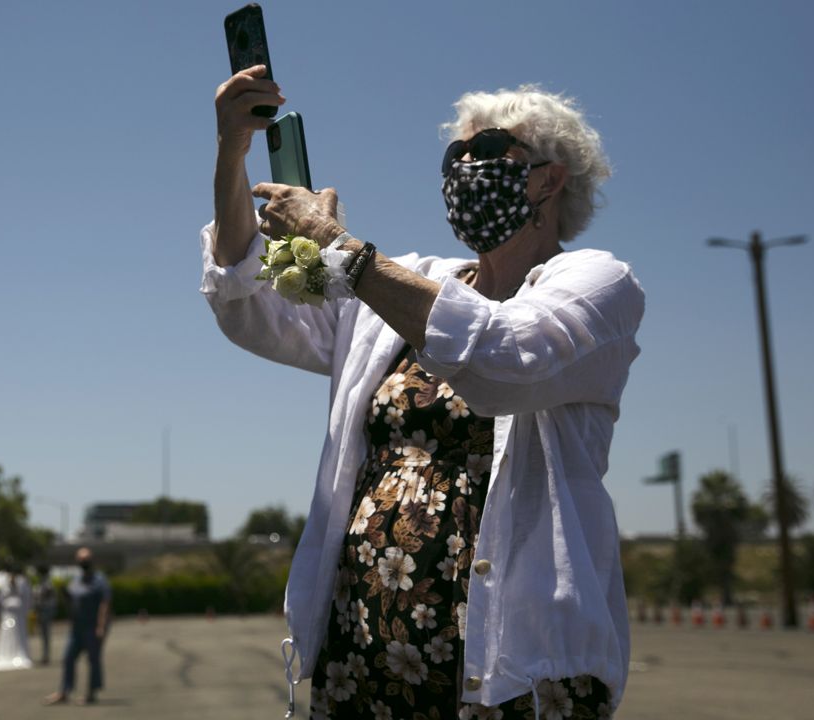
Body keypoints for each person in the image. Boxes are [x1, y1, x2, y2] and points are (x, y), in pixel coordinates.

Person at [202, 65, 644, 719]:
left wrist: (340, 248)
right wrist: (232, 153)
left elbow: (505, 359)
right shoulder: (411, 280)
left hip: (514, 677)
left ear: (551, 178)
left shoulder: (597, 283)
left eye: (490, 151)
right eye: (456, 154)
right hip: (367, 659)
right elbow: (255, 310)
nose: (468, 168)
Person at [42, 548, 111, 706]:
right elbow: (72, 601)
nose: (83, 562)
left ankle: (91, 693)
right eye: (81, 559)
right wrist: (65, 596)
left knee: (93, 659)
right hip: (76, 627)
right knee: (68, 658)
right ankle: (64, 691)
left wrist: (101, 626)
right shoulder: (76, 579)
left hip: (92, 626)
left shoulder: (100, 580)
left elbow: (104, 603)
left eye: (86, 559)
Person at [0, 559, 33, 671]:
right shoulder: (1, 579)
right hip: (8, 612)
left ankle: (16, 654)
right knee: (7, 633)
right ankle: (6, 655)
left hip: (16, 612)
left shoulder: (21, 581)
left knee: (17, 634)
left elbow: (26, 598)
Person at [31, 564, 59, 665]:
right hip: (41, 611)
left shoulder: (48, 585)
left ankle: (46, 655)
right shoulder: (40, 585)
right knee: (43, 635)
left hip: (45, 611)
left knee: (46, 635)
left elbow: (49, 598)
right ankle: (45, 655)